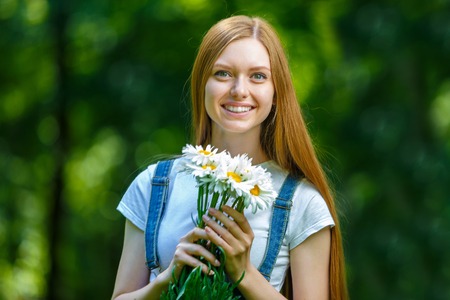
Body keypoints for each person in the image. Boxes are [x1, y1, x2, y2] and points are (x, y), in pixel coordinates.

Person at [112, 15, 347, 300]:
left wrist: (245, 273)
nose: (239, 91)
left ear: (276, 92)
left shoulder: (302, 202)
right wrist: (166, 278)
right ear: (202, 83)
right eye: (223, 73)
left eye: (258, 76)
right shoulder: (153, 186)